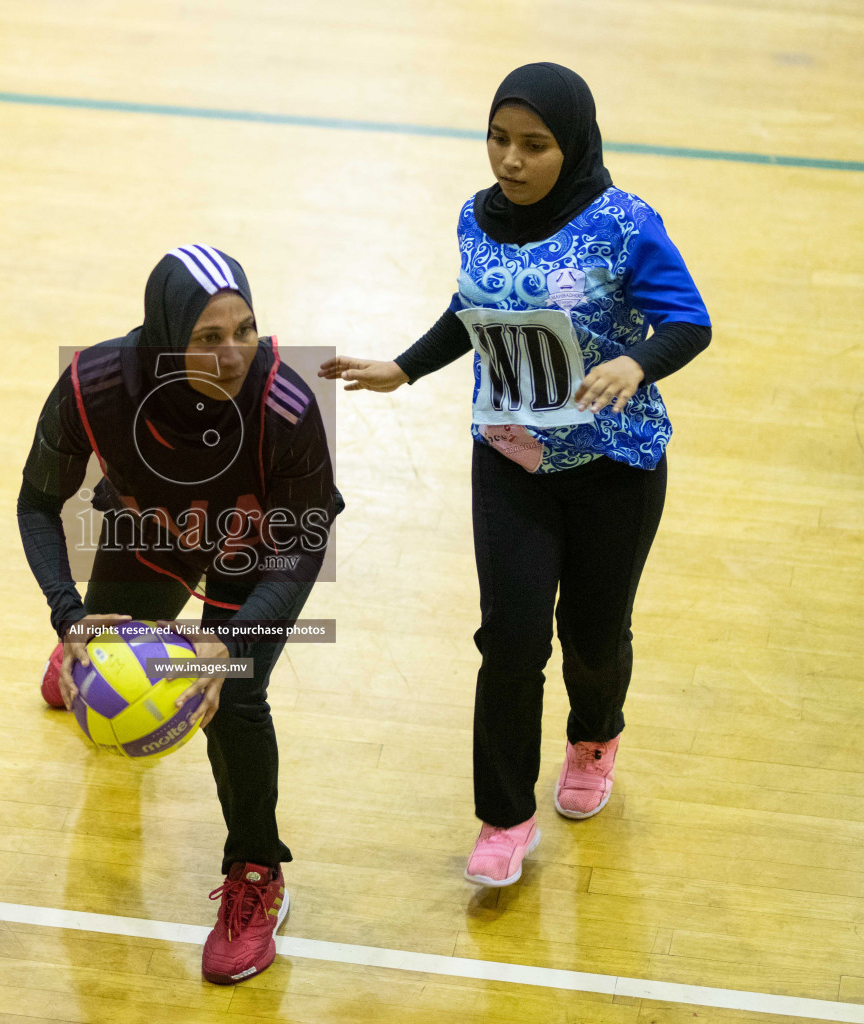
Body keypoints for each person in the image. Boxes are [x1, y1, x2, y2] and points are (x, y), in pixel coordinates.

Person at [319, 64, 710, 887]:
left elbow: (690, 320)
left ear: (573, 146)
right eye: (500, 139)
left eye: (535, 145)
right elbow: (474, 307)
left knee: (593, 639)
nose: (511, 161)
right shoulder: (476, 217)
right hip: (509, 460)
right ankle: (504, 818)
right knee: (510, 642)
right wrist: (405, 368)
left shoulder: (624, 223)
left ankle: (594, 735)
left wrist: (638, 362)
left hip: (615, 465)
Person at [17, 245, 343, 981]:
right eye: (207, 337)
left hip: (256, 551)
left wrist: (222, 650)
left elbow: (301, 550)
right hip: (154, 531)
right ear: (164, 338)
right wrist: (71, 617)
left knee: (234, 697)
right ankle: (104, 659)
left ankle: (258, 871)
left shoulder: (284, 407)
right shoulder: (92, 384)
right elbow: (38, 503)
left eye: (246, 331)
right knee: (104, 657)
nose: (233, 356)